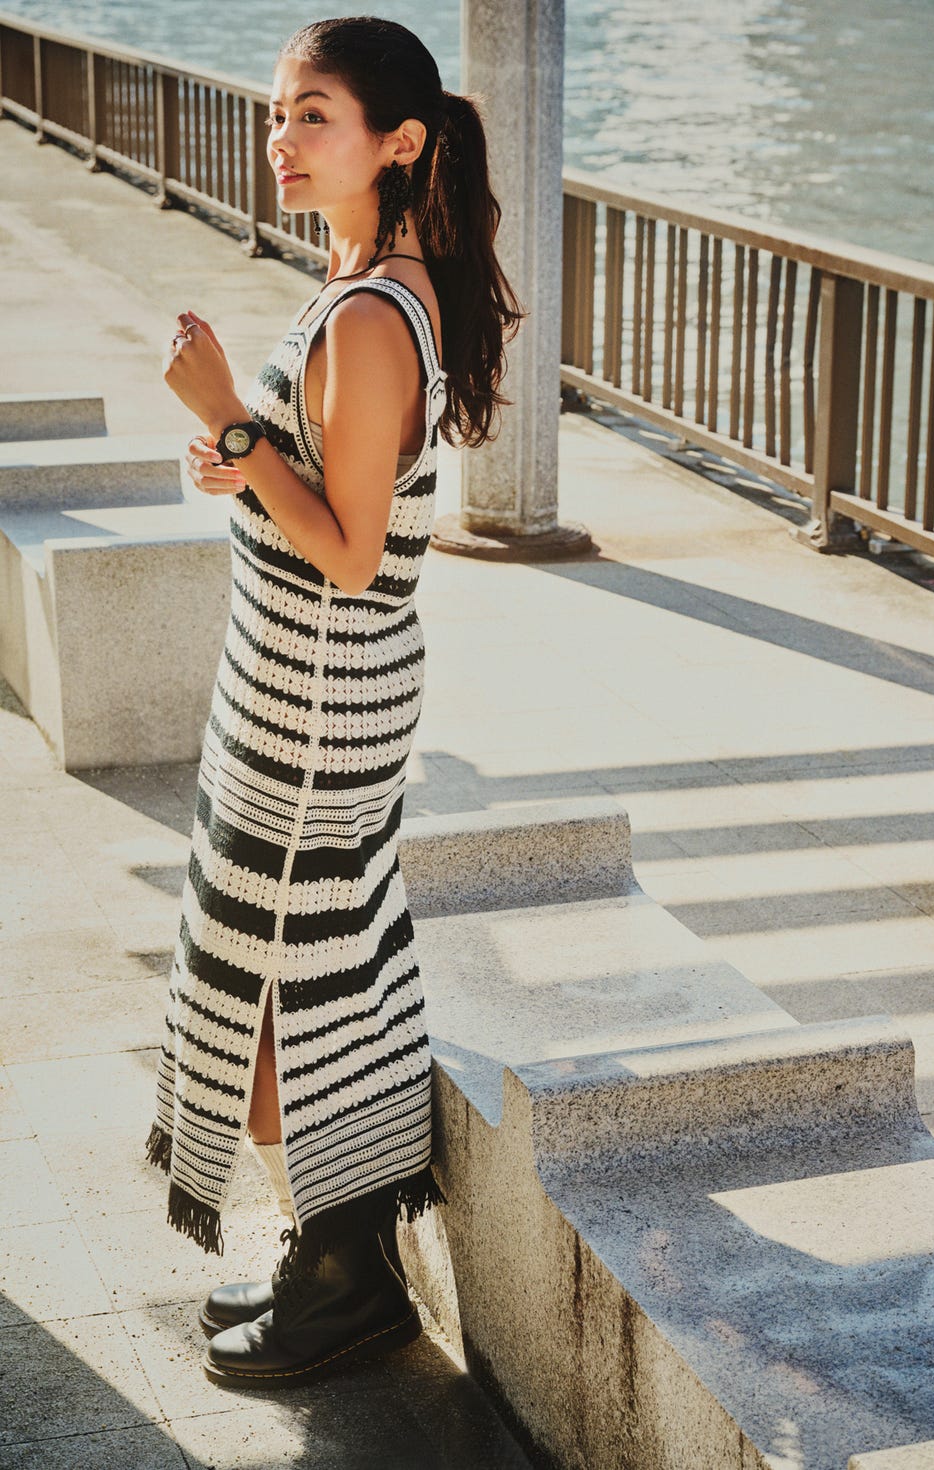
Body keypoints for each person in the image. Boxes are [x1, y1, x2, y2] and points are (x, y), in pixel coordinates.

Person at [145, 15, 522, 1389]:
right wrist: (247, 455)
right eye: (279, 112)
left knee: (271, 1001)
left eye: (314, 115)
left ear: (398, 142)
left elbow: (354, 553)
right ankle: (333, 1254)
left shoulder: (370, 312)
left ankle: (345, 1267)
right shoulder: (368, 280)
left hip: (314, 708)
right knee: (306, 984)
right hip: (301, 694)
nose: (282, 140)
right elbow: (322, 498)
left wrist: (234, 429)